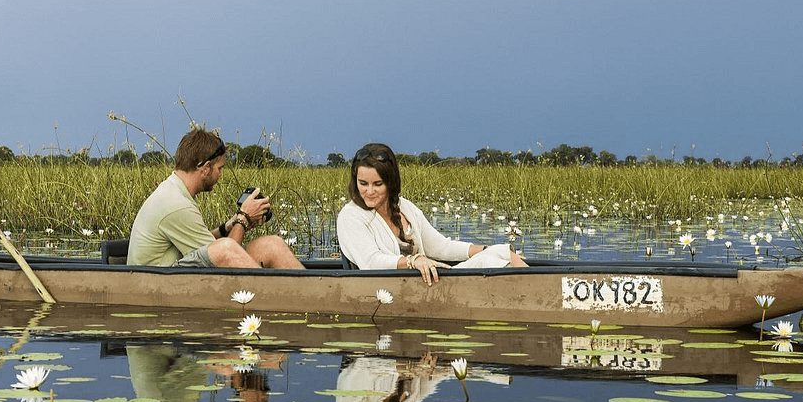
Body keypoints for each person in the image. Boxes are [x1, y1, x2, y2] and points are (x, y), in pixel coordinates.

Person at [337, 142, 527, 283]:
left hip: (424, 283)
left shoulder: (405, 207)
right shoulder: (350, 216)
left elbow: (441, 247)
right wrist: (413, 261)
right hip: (394, 288)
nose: (369, 191)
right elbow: (371, 262)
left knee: (499, 253)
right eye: (363, 184)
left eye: (377, 184)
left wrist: (485, 249)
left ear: (390, 182)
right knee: (495, 258)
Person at [126, 127, 304, 268]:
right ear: (204, 168)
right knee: (225, 249)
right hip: (159, 284)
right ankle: (272, 299)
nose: (220, 175)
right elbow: (224, 257)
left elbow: (205, 248)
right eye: (220, 168)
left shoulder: (175, 191)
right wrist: (244, 218)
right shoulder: (176, 204)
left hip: (175, 274)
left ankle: (310, 297)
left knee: (270, 245)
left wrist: (228, 226)